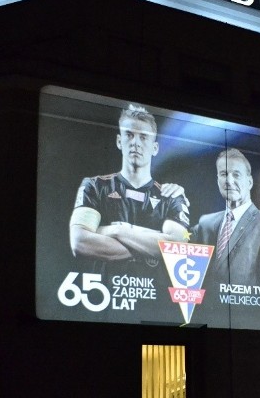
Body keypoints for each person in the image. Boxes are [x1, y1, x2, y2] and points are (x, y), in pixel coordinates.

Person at [69, 104, 190, 278]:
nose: (136, 143)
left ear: (155, 148)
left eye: (143, 137)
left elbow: (177, 246)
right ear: (119, 141)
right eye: (129, 135)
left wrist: (118, 231)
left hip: (154, 299)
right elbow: (80, 242)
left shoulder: (170, 196)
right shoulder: (94, 186)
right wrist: (153, 245)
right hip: (104, 297)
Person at [191, 147, 260, 288]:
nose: (229, 181)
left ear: (249, 182)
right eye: (223, 174)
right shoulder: (206, 223)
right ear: (218, 180)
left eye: (236, 174)